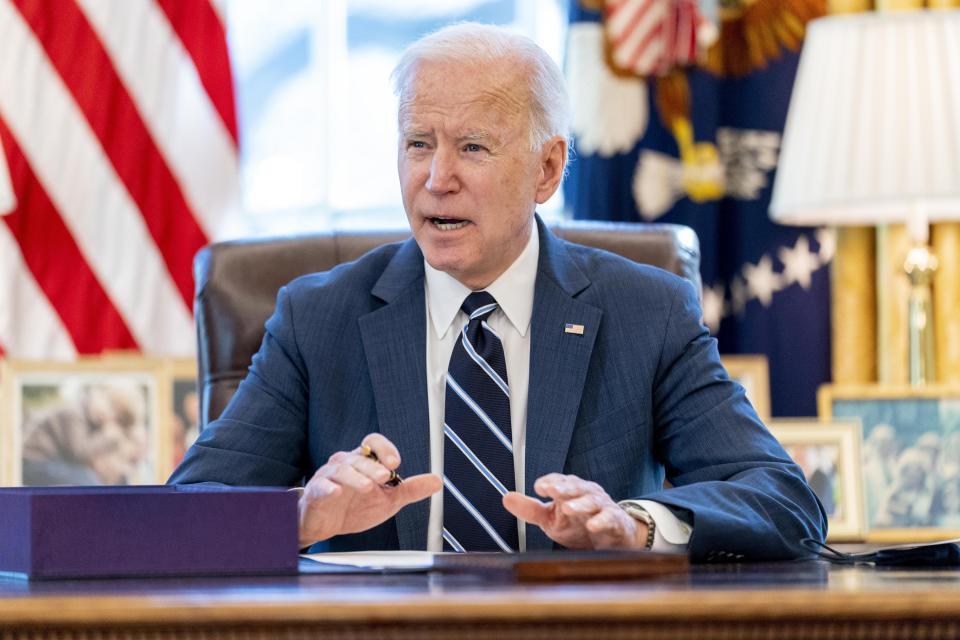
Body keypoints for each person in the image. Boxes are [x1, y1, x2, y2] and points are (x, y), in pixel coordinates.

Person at [169, 23, 825, 561]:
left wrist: (635, 526)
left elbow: (782, 501)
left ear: (548, 169)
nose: (436, 177)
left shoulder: (645, 312)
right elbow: (176, 520)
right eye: (417, 143)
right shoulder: (318, 318)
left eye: (473, 147)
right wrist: (300, 516)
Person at [23, 382, 149, 486]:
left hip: (58, 463)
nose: (112, 421)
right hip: (36, 461)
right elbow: (79, 453)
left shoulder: (93, 422)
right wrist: (107, 435)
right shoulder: (74, 414)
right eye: (115, 413)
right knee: (88, 483)